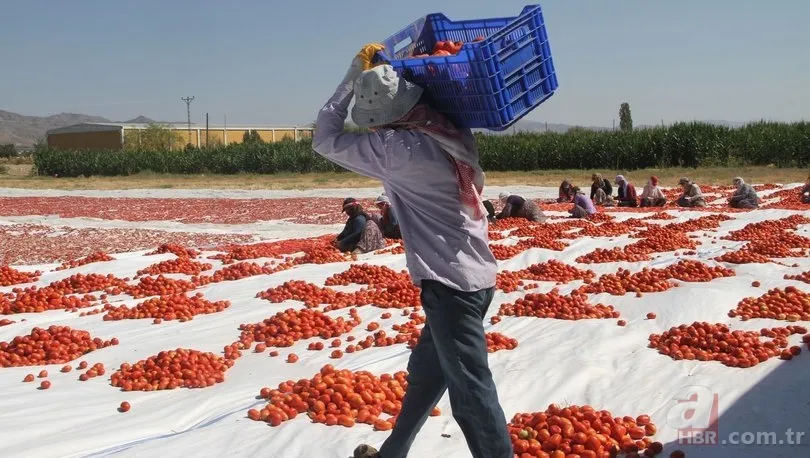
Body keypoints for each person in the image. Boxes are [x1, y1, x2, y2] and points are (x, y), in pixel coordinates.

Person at [312, 44, 512, 458]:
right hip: (475, 276)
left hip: (450, 286)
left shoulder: (397, 152)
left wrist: (352, 79)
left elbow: (325, 138)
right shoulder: (448, 128)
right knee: (426, 374)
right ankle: (393, 451)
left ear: (384, 121)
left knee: (471, 394)